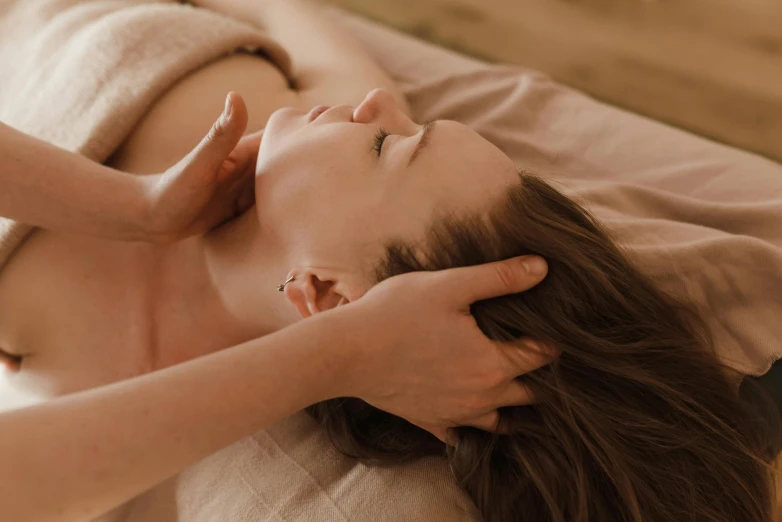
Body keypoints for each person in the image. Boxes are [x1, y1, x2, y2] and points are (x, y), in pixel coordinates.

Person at [0, 1, 777, 522]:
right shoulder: (305, 135)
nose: (380, 105)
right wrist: (129, 206)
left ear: (329, 295)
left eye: (387, 146)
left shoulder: (87, 386)